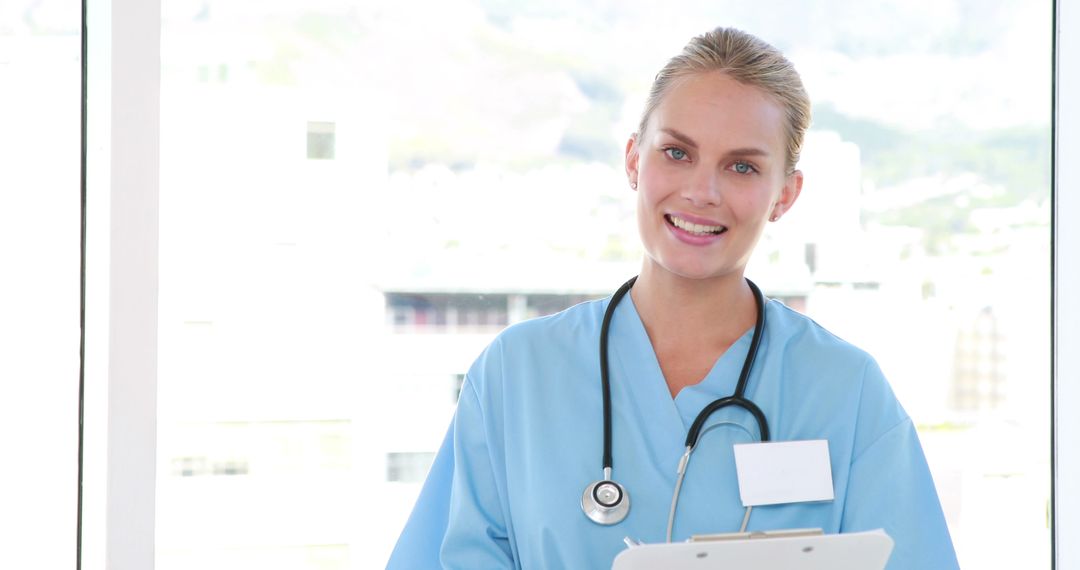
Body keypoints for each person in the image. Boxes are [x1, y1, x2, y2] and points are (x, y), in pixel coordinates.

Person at [387, 27, 959, 569]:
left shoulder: (845, 392)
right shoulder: (517, 376)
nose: (701, 192)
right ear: (635, 159)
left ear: (785, 194)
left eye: (741, 166)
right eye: (677, 153)